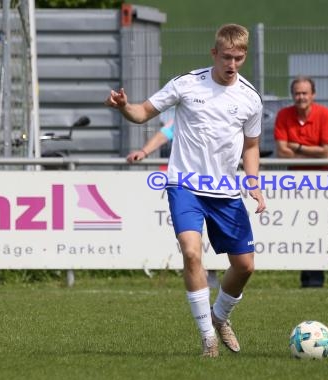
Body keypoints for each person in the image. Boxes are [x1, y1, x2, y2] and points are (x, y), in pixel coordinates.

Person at [105, 23, 265, 358]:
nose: (231, 63)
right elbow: (142, 113)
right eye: (226, 57)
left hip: (225, 191)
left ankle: (220, 317)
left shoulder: (250, 98)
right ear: (214, 53)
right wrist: (123, 106)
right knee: (192, 252)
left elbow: (251, 146)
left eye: (238, 57)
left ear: (244, 56)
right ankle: (208, 338)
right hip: (185, 185)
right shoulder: (187, 84)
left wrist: (254, 183)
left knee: (245, 266)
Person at [126, 117, 220, 289]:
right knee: (192, 244)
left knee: (226, 242)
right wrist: (145, 151)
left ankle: (214, 274)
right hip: (187, 185)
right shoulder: (186, 113)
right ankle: (204, 274)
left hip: (220, 184)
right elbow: (166, 132)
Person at [273, 76, 328, 288]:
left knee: (321, 229)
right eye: (297, 93)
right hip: (295, 182)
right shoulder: (284, 115)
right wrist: (312, 152)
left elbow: (327, 152)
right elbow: (281, 151)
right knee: (299, 228)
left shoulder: (325, 115)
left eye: (305, 93)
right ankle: (306, 279)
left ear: (313, 95)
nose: (301, 97)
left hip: (321, 182)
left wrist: (297, 147)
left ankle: (322, 279)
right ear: (292, 95)